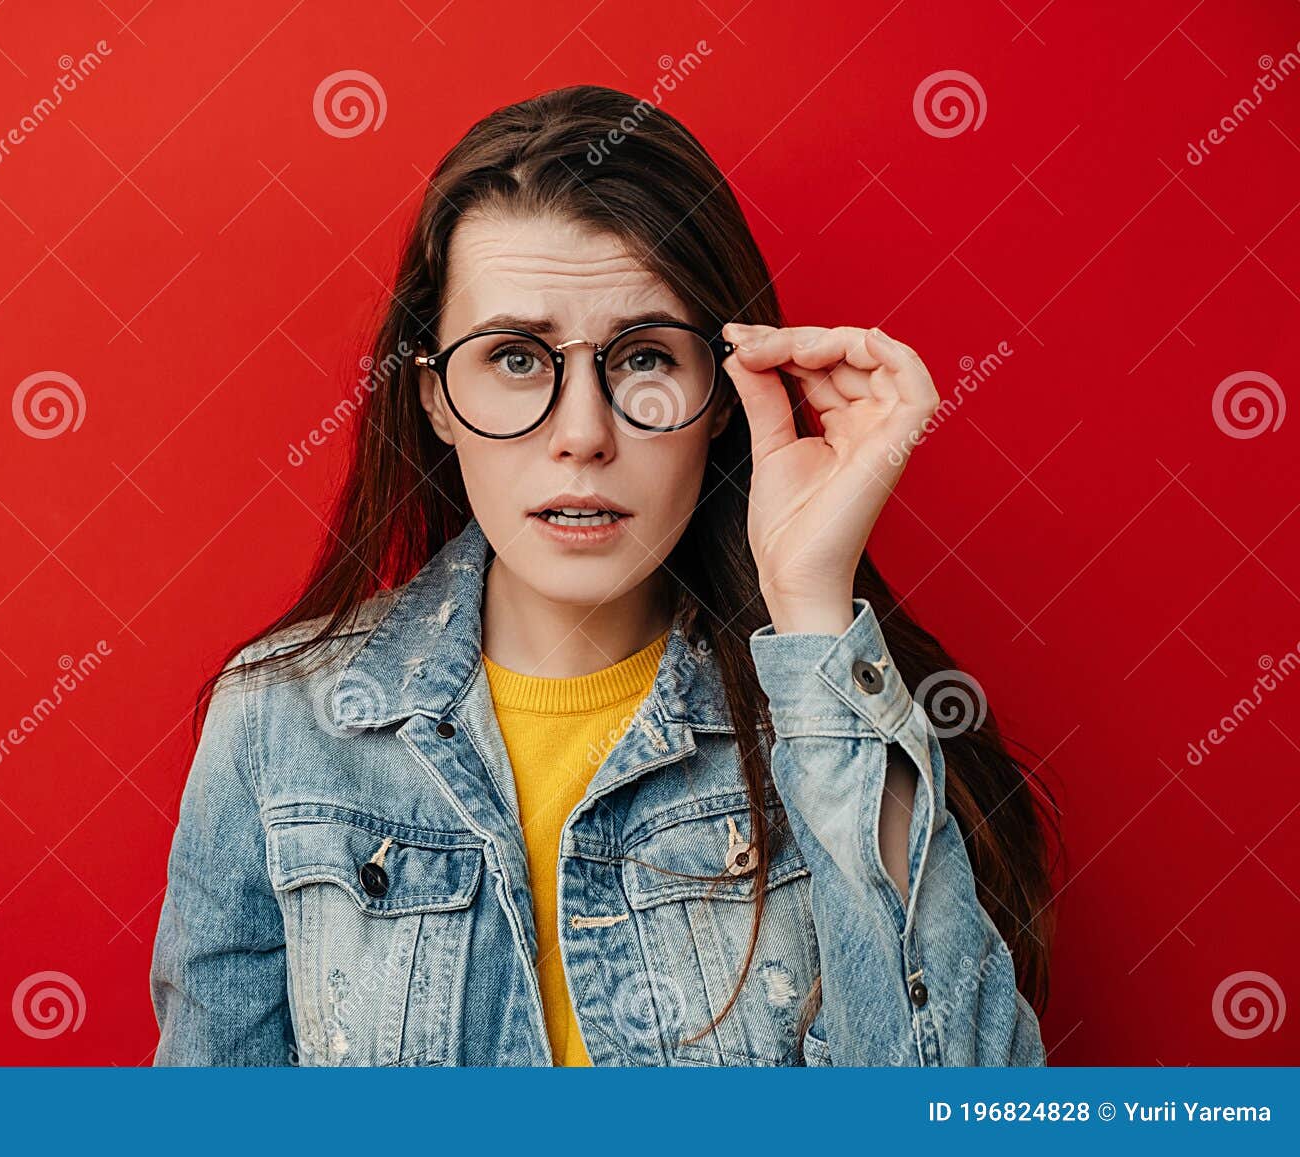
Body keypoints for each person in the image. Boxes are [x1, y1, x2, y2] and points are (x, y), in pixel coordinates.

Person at [149, 83, 1055, 1066]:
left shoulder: (824, 722)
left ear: (720, 396)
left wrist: (812, 611)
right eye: (514, 358)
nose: (582, 433)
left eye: (643, 358)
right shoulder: (277, 722)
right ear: (437, 401)